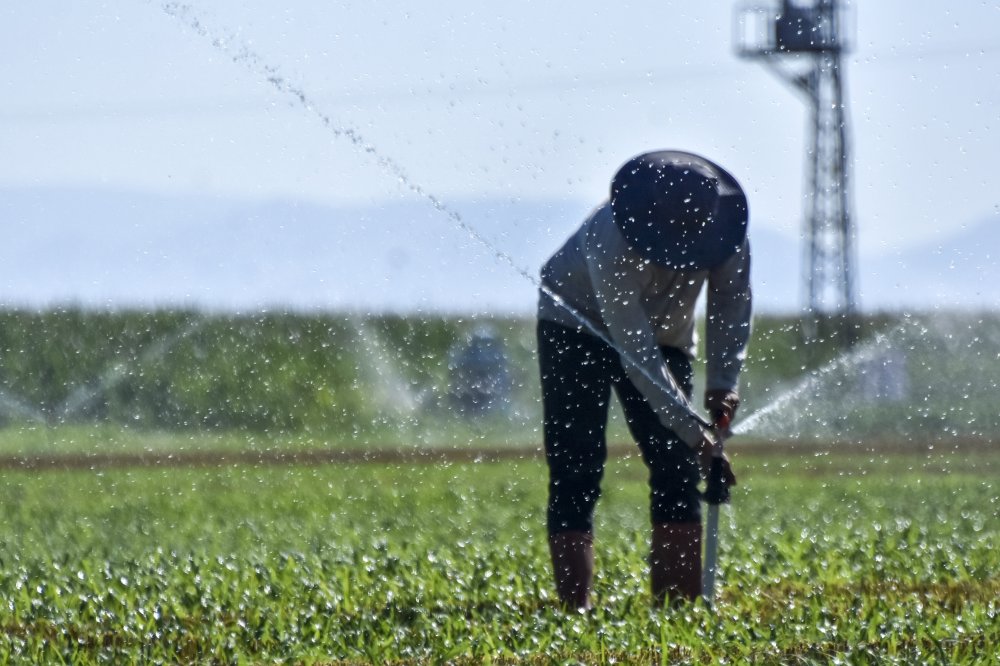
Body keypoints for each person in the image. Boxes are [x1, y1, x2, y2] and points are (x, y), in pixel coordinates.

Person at [537, 150, 750, 609]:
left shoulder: (727, 233)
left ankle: (677, 611)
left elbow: (730, 304)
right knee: (576, 465)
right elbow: (637, 357)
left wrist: (723, 383)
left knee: (676, 466)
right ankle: (575, 611)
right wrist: (698, 435)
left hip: (666, 337)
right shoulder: (610, 239)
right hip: (574, 325)